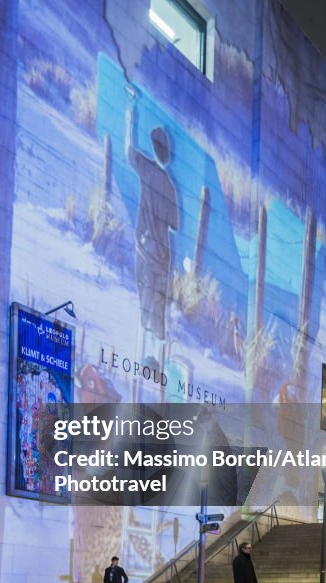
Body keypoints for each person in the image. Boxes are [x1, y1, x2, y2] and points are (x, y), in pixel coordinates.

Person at [124, 86, 179, 373]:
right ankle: (155, 359)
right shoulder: (171, 187)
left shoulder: (147, 171)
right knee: (159, 308)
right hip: (163, 257)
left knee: (145, 300)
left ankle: (143, 356)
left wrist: (130, 112)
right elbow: (174, 225)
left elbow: (127, 150)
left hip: (146, 250)